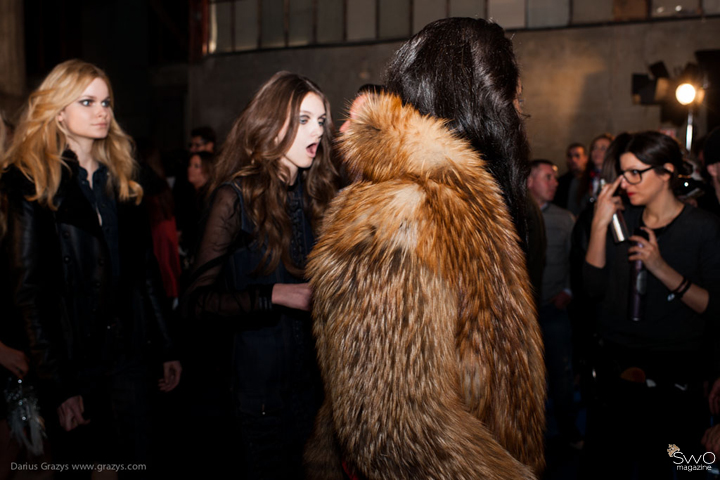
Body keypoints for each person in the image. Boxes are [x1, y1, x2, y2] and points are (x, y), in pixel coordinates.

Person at [304, 18, 545, 479]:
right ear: (483, 104)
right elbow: (394, 429)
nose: (518, 116)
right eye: (513, 101)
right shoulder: (399, 211)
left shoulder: (465, 200)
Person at [0, 59, 181, 476]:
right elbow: (30, 293)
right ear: (59, 111)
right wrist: (58, 385)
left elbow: (145, 270)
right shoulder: (31, 182)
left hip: (129, 353)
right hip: (73, 356)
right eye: (87, 101)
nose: (102, 111)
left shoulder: (123, 176)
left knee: (139, 462)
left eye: (106, 102)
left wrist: (167, 345)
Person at [181, 71, 339, 478]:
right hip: (256, 395)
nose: (316, 130)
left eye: (320, 120)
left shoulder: (316, 194)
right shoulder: (233, 198)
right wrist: (274, 296)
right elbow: (196, 303)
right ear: (272, 121)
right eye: (303, 119)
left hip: (312, 391)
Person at [581, 131, 720, 479]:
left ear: (666, 172)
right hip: (616, 372)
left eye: (635, 173)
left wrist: (660, 268)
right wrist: (599, 225)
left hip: (674, 378)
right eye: (623, 172)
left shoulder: (703, 228)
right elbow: (592, 290)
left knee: (669, 467)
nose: (625, 182)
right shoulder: (621, 221)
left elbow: (713, 307)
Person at [527, 160, 581, 449]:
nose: (555, 182)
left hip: (553, 308)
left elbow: (577, 260)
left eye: (554, 177)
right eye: (547, 177)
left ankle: (569, 431)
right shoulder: (515, 216)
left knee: (561, 374)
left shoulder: (565, 218)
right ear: (530, 182)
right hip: (525, 314)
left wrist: (569, 290)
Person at [555, 142, 588, 215]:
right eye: (570, 156)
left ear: (585, 158)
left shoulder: (592, 180)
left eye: (577, 156)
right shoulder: (561, 182)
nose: (573, 159)